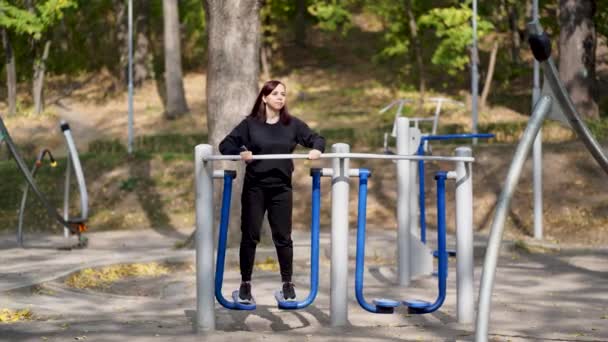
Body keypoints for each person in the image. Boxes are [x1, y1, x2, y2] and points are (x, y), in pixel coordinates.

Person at [219, 80, 325, 303]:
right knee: (250, 236)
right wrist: (241, 152)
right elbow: (225, 145)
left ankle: (287, 285)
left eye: (283, 94)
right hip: (255, 187)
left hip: (281, 188)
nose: (280, 97)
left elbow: (316, 138)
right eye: (275, 93)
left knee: (283, 237)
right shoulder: (250, 125)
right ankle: (245, 285)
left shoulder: (292, 125)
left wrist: (316, 149)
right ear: (264, 98)